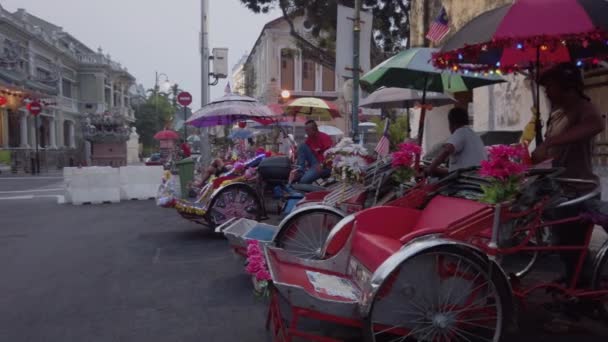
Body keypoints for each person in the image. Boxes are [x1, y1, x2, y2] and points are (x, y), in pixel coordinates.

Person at [532, 63, 604, 285]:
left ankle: (586, 294)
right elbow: (551, 153)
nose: (547, 92)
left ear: (568, 86)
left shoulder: (584, 107)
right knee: (562, 244)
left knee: (576, 246)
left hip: (579, 190)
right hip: (558, 189)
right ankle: (573, 281)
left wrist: (552, 141)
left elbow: (596, 125)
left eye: (550, 86)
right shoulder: (555, 113)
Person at [424, 107, 487, 177]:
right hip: (476, 177)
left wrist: (430, 168)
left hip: (467, 179)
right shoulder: (473, 135)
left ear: (451, 123)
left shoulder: (460, 132)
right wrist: (434, 170)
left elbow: (447, 150)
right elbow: (457, 170)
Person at [291, 120, 333, 184]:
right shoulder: (309, 139)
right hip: (314, 164)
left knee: (303, 181)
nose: (306, 132)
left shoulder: (324, 137)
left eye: (307, 130)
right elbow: (303, 151)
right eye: (305, 130)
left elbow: (331, 155)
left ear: (314, 129)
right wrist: (297, 152)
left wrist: (322, 165)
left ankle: (306, 183)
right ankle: (300, 170)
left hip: (324, 166)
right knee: (302, 146)